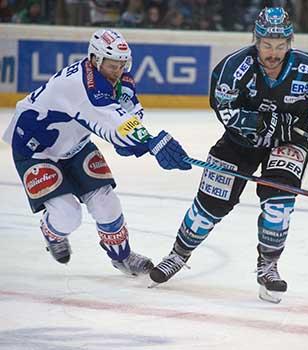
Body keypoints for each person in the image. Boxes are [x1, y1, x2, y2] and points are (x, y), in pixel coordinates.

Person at [149, 7, 308, 303]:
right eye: (267, 45)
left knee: (279, 203)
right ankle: (178, 254)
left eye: (280, 46)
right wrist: (262, 122)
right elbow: (223, 106)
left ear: (290, 42)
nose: (273, 53)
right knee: (209, 205)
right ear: (256, 40)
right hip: (240, 142)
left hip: (288, 143)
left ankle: (269, 266)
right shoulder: (235, 66)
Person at [2, 29, 191, 276]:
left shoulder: (118, 79)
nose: (118, 72)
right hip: (36, 150)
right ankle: (51, 232)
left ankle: (122, 258)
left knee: (106, 203)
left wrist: (137, 141)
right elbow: (109, 118)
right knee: (68, 215)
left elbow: (128, 114)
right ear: (95, 59)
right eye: (113, 66)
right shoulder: (78, 86)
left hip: (76, 146)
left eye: (123, 65)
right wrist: (148, 142)